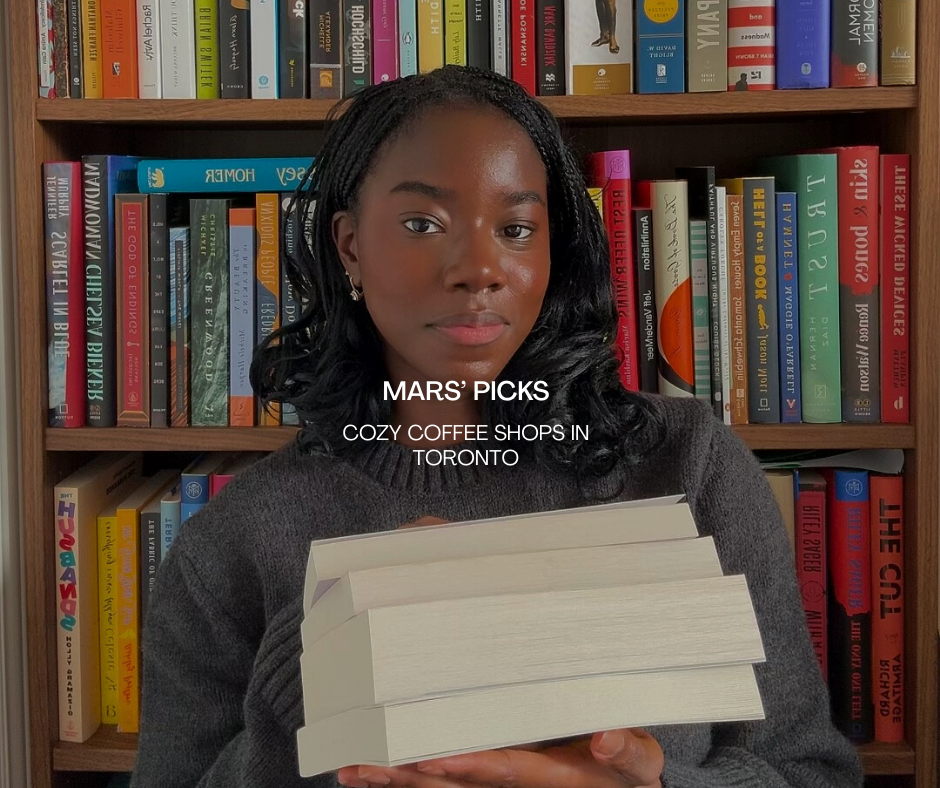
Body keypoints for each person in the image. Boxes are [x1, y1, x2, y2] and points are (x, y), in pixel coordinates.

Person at [132, 66, 863, 788]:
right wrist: (317, 655)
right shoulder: (231, 544)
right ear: (350, 245)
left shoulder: (685, 464)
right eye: (423, 224)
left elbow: (811, 773)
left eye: (515, 229)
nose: (480, 269)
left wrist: (648, 786)